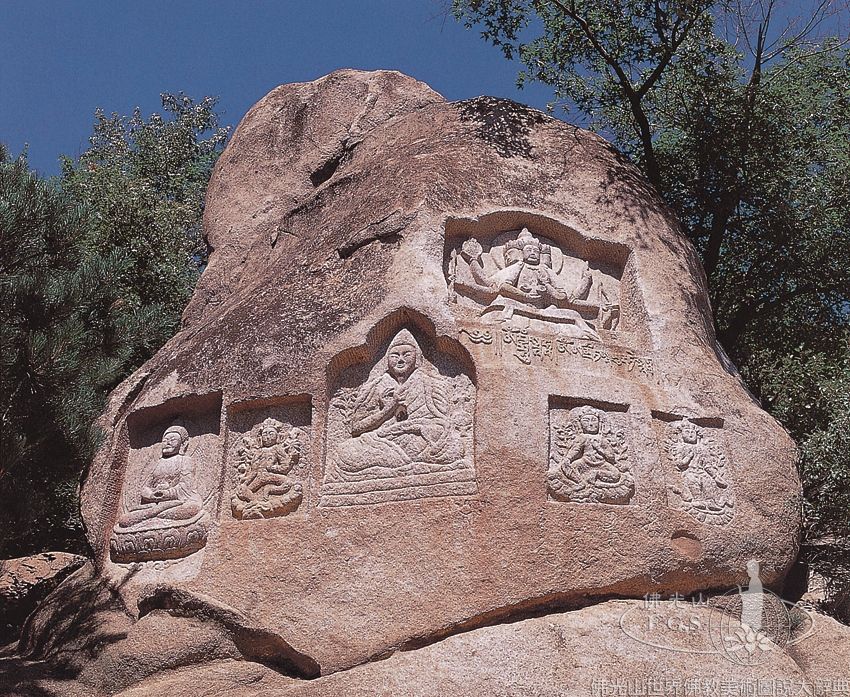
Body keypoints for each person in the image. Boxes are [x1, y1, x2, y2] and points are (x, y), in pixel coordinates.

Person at [330, 330, 465, 480]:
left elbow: (442, 422)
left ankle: (399, 466)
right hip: (381, 439)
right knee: (344, 452)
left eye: (406, 354)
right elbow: (356, 428)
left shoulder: (429, 383)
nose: (400, 360)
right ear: (387, 359)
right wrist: (388, 409)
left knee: (454, 445)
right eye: (395, 355)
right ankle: (403, 465)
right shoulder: (376, 386)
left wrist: (416, 427)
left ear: (417, 356)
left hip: (416, 438)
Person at [116, 425, 203, 529]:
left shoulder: (185, 461)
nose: (168, 443)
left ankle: (153, 518)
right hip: (154, 504)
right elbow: (145, 487)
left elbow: (186, 487)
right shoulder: (157, 463)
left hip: (176, 503)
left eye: (173, 440)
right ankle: (157, 517)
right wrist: (151, 494)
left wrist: (167, 492)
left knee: (191, 508)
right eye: (165, 440)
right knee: (124, 519)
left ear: (183, 444)